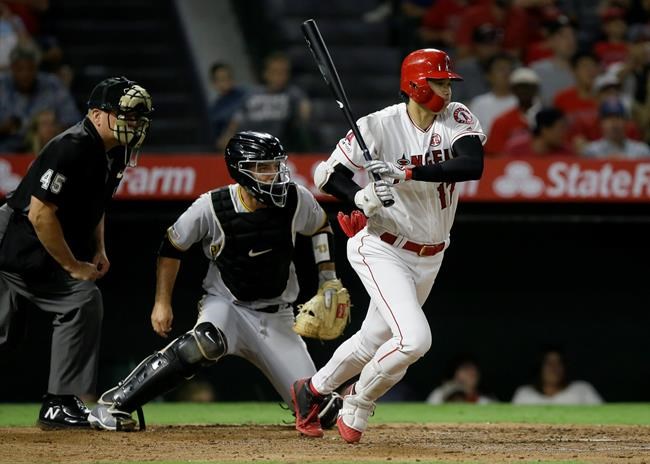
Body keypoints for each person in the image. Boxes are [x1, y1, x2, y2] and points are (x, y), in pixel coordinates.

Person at [88, 131, 344, 431]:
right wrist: (161, 302)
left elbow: (321, 226)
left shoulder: (295, 198)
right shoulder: (211, 205)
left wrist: (328, 278)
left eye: (274, 165)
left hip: (278, 316)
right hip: (228, 306)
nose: (272, 174)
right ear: (239, 169)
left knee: (320, 413)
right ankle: (113, 404)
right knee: (202, 344)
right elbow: (172, 246)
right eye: (261, 167)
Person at [291, 48, 485, 443]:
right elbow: (327, 175)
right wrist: (359, 197)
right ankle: (358, 401)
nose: (447, 90)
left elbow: (471, 164)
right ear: (416, 84)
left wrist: (406, 171)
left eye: (448, 82)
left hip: (432, 253)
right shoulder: (376, 126)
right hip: (382, 246)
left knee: (372, 341)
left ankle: (311, 390)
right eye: (439, 82)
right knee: (414, 340)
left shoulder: (456, 117)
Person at [0, 76, 153, 428]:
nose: (134, 124)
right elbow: (40, 214)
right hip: (12, 243)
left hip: (36, 245)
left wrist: (98, 248)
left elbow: (96, 205)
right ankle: (59, 402)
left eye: (138, 117)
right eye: (126, 115)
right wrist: (73, 265)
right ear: (98, 115)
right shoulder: (70, 146)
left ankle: (60, 402)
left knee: (82, 300)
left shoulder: (113, 152)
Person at [220, 52, 312, 152]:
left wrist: (302, 118)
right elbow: (237, 118)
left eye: (283, 72)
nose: (280, 77)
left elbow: (304, 111)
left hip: (276, 146)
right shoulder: (252, 94)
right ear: (266, 73)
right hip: (249, 144)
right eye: (275, 72)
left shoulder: (292, 94)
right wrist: (227, 136)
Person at [0, 43, 79, 152]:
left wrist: (52, 129)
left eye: (30, 68)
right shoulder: (2, 85)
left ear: (37, 68)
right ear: (12, 68)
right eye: (19, 69)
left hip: (46, 150)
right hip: (5, 148)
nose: (25, 74)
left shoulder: (53, 85)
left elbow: (72, 121)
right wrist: (3, 127)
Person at [512, 346, 603, 404]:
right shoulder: (524, 393)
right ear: (539, 367)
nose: (554, 368)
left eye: (559, 363)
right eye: (549, 363)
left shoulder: (582, 389)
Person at [581, 98, 650, 159]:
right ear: (601, 123)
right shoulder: (591, 152)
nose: (614, 123)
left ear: (626, 122)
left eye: (618, 117)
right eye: (609, 118)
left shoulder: (642, 151)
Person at [208, 62, 247, 152]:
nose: (225, 82)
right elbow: (217, 139)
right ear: (214, 83)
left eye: (227, 78)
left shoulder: (244, 95)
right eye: (221, 79)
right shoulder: (215, 109)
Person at [426, 354, 493, 404]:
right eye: (466, 369)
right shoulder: (440, 393)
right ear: (455, 373)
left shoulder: (485, 401)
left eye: (474, 369)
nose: (472, 372)